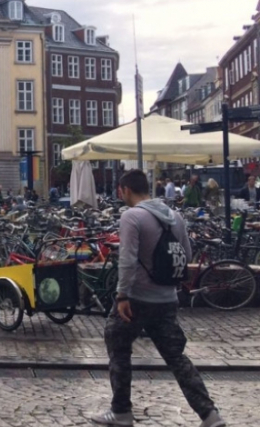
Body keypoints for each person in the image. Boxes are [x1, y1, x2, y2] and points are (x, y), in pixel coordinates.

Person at [91, 169, 225, 427]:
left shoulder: (132, 216)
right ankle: (210, 414)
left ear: (125, 190)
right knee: (177, 358)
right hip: (166, 299)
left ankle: (121, 411)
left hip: (137, 299)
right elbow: (186, 253)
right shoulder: (174, 216)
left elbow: (128, 260)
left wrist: (122, 296)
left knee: (117, 345)